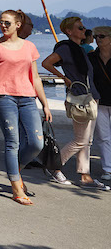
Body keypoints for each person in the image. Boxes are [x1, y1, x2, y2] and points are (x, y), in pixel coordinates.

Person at [0, 9, 52, 205]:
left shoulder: (29, 47)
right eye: (0, 22)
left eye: (7, 23)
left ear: (18, 25)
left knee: (36, 143)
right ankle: (16, 187)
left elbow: (35, 77)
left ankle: (16, 168)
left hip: (27, 97)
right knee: (13, 142)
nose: (2, 26)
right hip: (3, 97)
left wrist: (45, 104)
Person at [41, 16, 109, 189]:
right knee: (80, 140)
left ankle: (85, 176)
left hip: (90, 96)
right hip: (80, 98)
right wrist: (64, 78)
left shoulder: (79, 49)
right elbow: (46, 63)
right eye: (80, 28)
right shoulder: (66, 48)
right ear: (69, 31)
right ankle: (54, 166)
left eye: (84, 27)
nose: (84, 30)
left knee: (87, 140)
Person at [89, 26, 111, 181]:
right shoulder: (92, 57)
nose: (97, 39)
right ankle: (107, 169)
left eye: (101, 36)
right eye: (95, 36)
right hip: (99, 101)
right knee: (103, 137)